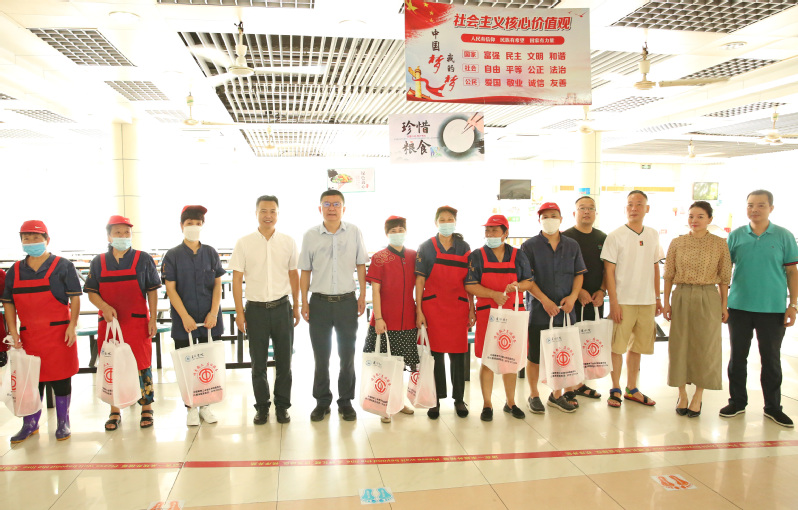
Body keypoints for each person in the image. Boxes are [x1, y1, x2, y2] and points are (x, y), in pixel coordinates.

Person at [721, 190, 798, 427]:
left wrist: (793, 305)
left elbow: (792, 271)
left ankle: (773, 407)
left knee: (771, 359)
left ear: (771, 208)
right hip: (739, 307)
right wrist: (722, 303)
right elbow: (724, 272)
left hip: (773, 309)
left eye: (761, 205)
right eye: (750, 205)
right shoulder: (735, 236)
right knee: (737, 357)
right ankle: (737, 402)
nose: (754, 209)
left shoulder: (784, 236)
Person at [2, 221, 82, 443]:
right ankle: (30, 423)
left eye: (36, 238)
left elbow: (75, 297)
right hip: (29, 335)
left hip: (59, 333)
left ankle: (63, 422)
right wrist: (13, 331)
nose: (31, 242)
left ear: (47, 240)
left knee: (61, 378)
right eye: (26, 238)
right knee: (31, 381)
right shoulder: (14, 271)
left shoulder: (63, 266)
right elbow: (8, 303)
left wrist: (72, 325)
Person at [84, 215, 161, 431]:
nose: (123, 236)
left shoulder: (143, 259)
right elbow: (91, 292)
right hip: (109, 323)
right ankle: (115, 409)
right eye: (118, 232)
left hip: (137, 321)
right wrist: (104, 306)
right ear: (109, 236)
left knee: (141, 364)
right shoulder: (98, 262)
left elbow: (152, 290)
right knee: (113, 364)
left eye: (127, 232)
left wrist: (153, 318)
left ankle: (146, 407)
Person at [299, 190, 368, 422]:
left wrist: (362, 295)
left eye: (336, 204)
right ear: (320, 208)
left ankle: (345, 401)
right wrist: (303, 301)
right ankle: (322, 401)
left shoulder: (354, 232)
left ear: (343, 209)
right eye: (327, 204)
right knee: (321, 356)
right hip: (319, 303)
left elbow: (361, 265)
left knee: (347, 355)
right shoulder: (310, 235)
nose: (331, 208)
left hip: (347, 302)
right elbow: (305, 271)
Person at [230, 195, 299, 425]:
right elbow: (237, 279)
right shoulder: (244, 242)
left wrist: (296, 305)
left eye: (272, 211)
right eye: (263, 211)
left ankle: (282, 406)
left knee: (284, 362)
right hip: (256, 311)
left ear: (278, 214)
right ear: (256, 213)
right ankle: (261, 407)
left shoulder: (288, 242)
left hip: (282, 308)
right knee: (257, 363)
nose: (268, 215)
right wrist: (240, 313)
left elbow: (293, 274)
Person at [662, 201, 732, 418]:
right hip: (681, 294)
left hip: (708, 295)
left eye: (700, 216)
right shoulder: (677, 242)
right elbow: (668, 275)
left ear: (710, 219)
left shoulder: (719, 244)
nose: (694, 220)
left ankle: (698, 395)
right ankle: (682, 393)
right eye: (691, 216)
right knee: (679, 344)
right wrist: (666, 302)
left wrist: (724, 305)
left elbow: (724, 278)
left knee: (706, 345)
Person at [162, 205, 226, 426]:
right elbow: (171, 289)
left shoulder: (211, 253)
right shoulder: (172, 256)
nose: (194, 227)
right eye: (189, 223)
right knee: (187, 365)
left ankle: (206, 406)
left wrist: (214, 312)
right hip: (184, 320)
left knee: (208, 363)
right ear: (181, 226)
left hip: (210, 320)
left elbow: (217, 285)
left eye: (198, 224)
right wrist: (185, 317)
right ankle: (190, 406)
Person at [465, 214, 534, 422]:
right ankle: (487, 404)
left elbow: (529, 282)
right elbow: (470, 285)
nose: (490, 234)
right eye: (487, 230)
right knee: (488, 359)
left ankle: (511, 402)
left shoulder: (518, 255)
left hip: (513, 313)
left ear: (505, 233)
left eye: (494, 230)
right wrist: (493, 294)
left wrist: (517, 286)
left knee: (509, 359)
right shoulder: (477, 256)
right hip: (488, 313)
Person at [521, 203, 587, 414]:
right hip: (539, 310)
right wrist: (544, 301)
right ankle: (533, 395)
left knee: (562, 353)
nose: (550, 219)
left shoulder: (572, 245)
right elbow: (527, 279)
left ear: (561, 219)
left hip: (566, 311)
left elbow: (579, 274)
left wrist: (573, 297)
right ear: (539, 220)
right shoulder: (529, 246)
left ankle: (556, 395)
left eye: (553, 215)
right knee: (535, 355)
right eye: (545, 216)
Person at [601, 190, 664, 408]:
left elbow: (655, 268)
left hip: (647, 301)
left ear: (647, 208)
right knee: (617, 347)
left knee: (637, 347)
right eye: (630, 204)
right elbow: (608, 272)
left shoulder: (653, 234)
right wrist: (614, 302)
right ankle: (615, 388)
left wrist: (657, 298)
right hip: (623, 301)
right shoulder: (615, 236)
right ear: (625, 208)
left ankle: (632, 388)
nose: (634, 208)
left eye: (639, 204)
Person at [416, 205, 475, 420]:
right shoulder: (426, 247)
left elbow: (469, 282)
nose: (447, 223)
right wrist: (419, 309)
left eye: (450, 219)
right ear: (436, 222)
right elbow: (420, 280)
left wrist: (472, 308)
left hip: (458, 308)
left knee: (458, 355)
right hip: (433, 308)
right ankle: (435, 400)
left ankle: (459, 398)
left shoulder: (464, 246)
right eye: (443, 219)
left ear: (455, 223)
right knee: (435, 355)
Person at [364, 215, 419, 423]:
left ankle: (399, 401)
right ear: (387, 234)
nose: (397, 234)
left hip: (408, 320)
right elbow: (375, 291)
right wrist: (378, 317)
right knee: (385, 365)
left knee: (400, 363)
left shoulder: (414, 255)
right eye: (393, 231)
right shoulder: (379, 258)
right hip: (385, 320)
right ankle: (384, 404)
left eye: (400, 230)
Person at [562, 196, 606, 402]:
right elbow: (562, 270)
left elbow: (608, 269)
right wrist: (577, 291)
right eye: (582, 208)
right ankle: (568, 387)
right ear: (574, 213)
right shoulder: (565, 238)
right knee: (570, 342)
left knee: (588, 343)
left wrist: (602, 291)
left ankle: (579, 383)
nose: (586, 211)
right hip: (572, 299)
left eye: (591, 208)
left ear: (596, 212)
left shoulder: (603, 238)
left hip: (595, 300)